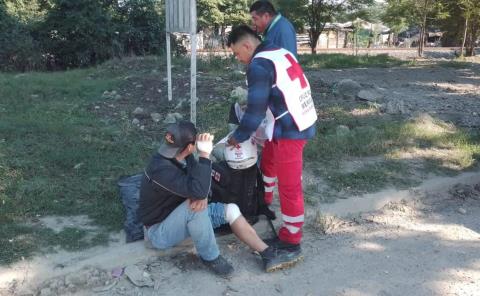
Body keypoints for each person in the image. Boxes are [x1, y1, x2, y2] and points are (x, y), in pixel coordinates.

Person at [137, 120, 301, 276]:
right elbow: (201, 190)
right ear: (189, 147)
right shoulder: (161, 170)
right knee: (193, 205)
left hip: (179, 217)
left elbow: (202, 187)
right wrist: (204, 155)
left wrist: (201, 192)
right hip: (158, 232)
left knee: (231, 209)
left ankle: (267, 253)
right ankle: (211, 257)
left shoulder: (181, 156)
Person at [226, 26, 317, 260]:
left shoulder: (257, 65)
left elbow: (255, 110)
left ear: (247, 46)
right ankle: (264, 200)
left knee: (289, 186)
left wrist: (238, 136)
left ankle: (291, 238)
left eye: (237, 54)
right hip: (299, 118)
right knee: (269, 160)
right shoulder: (279, 51)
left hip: (289, 129)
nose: (238, 59)